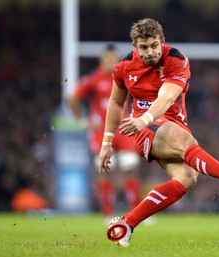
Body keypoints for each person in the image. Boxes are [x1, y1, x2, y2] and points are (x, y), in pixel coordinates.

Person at [99, 18, 219, 247]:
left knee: (187, 178)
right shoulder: (123, 67)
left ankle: (126, 224)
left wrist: (144, 118)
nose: (150, 52)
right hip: (145, 131)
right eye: (143, 47)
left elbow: (166, 97)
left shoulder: (176, 60)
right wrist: (107, 142)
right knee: (185, 140)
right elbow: (116, 104)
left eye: (154, 45)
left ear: (162, 42)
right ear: (135, 47)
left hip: (166, 123)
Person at [66, 44, 141, 220]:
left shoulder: (125, 77)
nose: (111, 63)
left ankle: (137, 213)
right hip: (102, 131)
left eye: (114, 59)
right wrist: (83, 121)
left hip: (123, 129)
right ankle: (108, 214)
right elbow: (72, 98)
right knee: (107, 169)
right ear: (102, 61)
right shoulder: (93, 79)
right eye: (108, 60)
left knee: (130, 166)